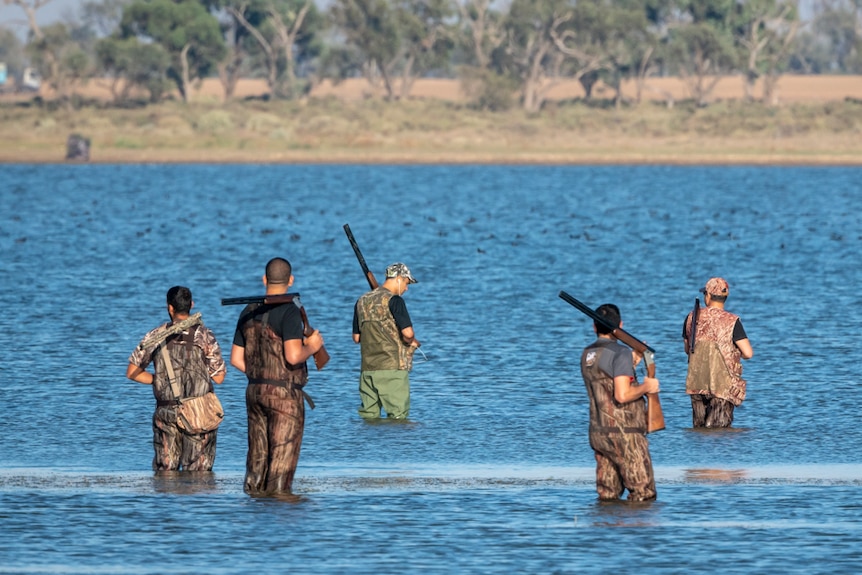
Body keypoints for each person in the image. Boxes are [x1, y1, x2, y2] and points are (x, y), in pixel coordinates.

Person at [230, 257, 324, 495]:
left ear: (264, 280)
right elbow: (293, 357)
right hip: (284, 396)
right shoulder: (290, 312)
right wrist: (313, 347)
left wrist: (260, 376)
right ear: (290, 280)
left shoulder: (248, 310)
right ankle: (278, 525)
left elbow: (235, 359)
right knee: (280, 472)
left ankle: (254, 518)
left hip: (254, 392)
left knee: (256, 465)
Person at [126, 286, 226, 472]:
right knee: (199, 476)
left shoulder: (154, 336)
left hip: (166, 410)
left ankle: (166, 502)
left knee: (165, 473)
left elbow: (132, 372)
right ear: (192, 305)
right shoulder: (204, 335)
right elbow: (219, 377)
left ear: (170, 308)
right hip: (199, 413)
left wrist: (158, 380)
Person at [580, 303, 659, 502]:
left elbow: (605, 378)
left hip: (599, 433)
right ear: (620, 325)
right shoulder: (620, 352)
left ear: (594, 327)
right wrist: (647, 387)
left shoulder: (588, 354)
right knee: (643, 495)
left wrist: (632, 361)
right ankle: (635, 533)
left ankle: (606, 532)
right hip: (625, 435)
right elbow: (622, 395)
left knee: (607, 497)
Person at [352, 262, 421, 420]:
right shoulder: (395, 300)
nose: (407, 288)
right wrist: (412, 341)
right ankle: (393, 447)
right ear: (398, 278)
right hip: (392, 369)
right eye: (406, 282)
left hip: (367, 371)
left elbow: (356, 338)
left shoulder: (361, 301)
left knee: (369, 419)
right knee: (398, 420)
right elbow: (408, 333)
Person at [682, 277, 754, 428]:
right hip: (722, 385)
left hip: (697, 383)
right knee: (719, 432)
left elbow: (687, 349)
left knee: (699, 430)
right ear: (725, 298)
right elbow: (748, 353)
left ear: (707, 295)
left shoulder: (691, 317)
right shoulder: (732, 321)